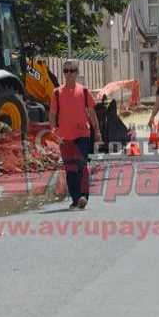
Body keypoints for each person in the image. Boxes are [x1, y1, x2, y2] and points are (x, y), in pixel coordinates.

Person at [50, 59, 102, 210]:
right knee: (70, 168)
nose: (69, 74)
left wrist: (97, 130)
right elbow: (52, 114)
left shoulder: (84, 91)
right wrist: (54, 131)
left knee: (81, 164)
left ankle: (83, 196)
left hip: (82, 134)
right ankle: (75, 198)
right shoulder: (57, 93)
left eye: (72, 70)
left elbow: (92, 113)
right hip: (64, 137)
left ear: (77, 73)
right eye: (66, 71)